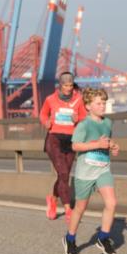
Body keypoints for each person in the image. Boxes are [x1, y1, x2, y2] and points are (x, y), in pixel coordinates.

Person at [65, 87, 119, 254]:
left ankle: (103, 238)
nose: (103, 106)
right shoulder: (84, 125)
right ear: (88, 106)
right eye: (98, 103)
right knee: (80, 209)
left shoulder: (108, 123)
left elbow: (107, 141)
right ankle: (70, 239)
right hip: (85, 173)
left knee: (111, 203)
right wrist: (97, 144)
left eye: (104, 102)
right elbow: (75, 146)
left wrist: (113, 146)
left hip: (103, 170)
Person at [40, 72, 87, 222]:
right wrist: (46, 122)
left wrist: (77, 119)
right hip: (54, 139)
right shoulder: (50, 99)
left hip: (71, 140)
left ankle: (52, 199)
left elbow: (84, 118)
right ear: (60, 85)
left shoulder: (79, 100)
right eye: (66, 85)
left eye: (71, 85)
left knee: (63, 174)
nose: (68, 88)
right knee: (64, 174)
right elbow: (42, 115)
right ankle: (68, 209)